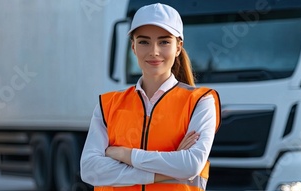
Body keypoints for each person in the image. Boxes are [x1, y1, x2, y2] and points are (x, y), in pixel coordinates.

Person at [80, 3, 221, 191]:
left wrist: (124, 154)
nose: (154, 51)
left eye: (164, 42)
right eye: (144, 42)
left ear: (178, 47)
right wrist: (166, 170)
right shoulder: (108, 105)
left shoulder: (200, 101)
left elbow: (191, 165)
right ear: (133, 47)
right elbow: (90, 170)